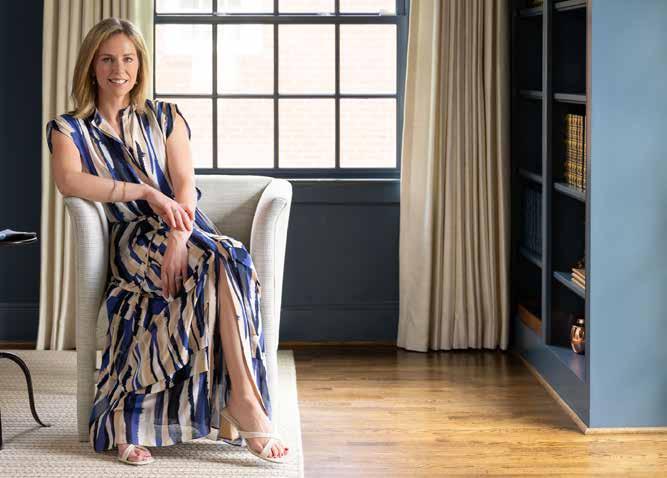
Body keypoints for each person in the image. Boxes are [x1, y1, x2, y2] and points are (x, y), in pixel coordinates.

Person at [45, 17, 288, 465]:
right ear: (91, 66)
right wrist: (144, 192)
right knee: (226, 257)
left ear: (140, 65)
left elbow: (185, 185)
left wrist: (178, 237)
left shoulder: (165, 117)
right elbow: (69, 181)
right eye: (107, 59)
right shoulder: (69, 129)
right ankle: (243, 403)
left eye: (128, 59)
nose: (119, 69)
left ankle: (242, 398)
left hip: (185, 230)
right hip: (132, 240)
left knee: (229, 256)